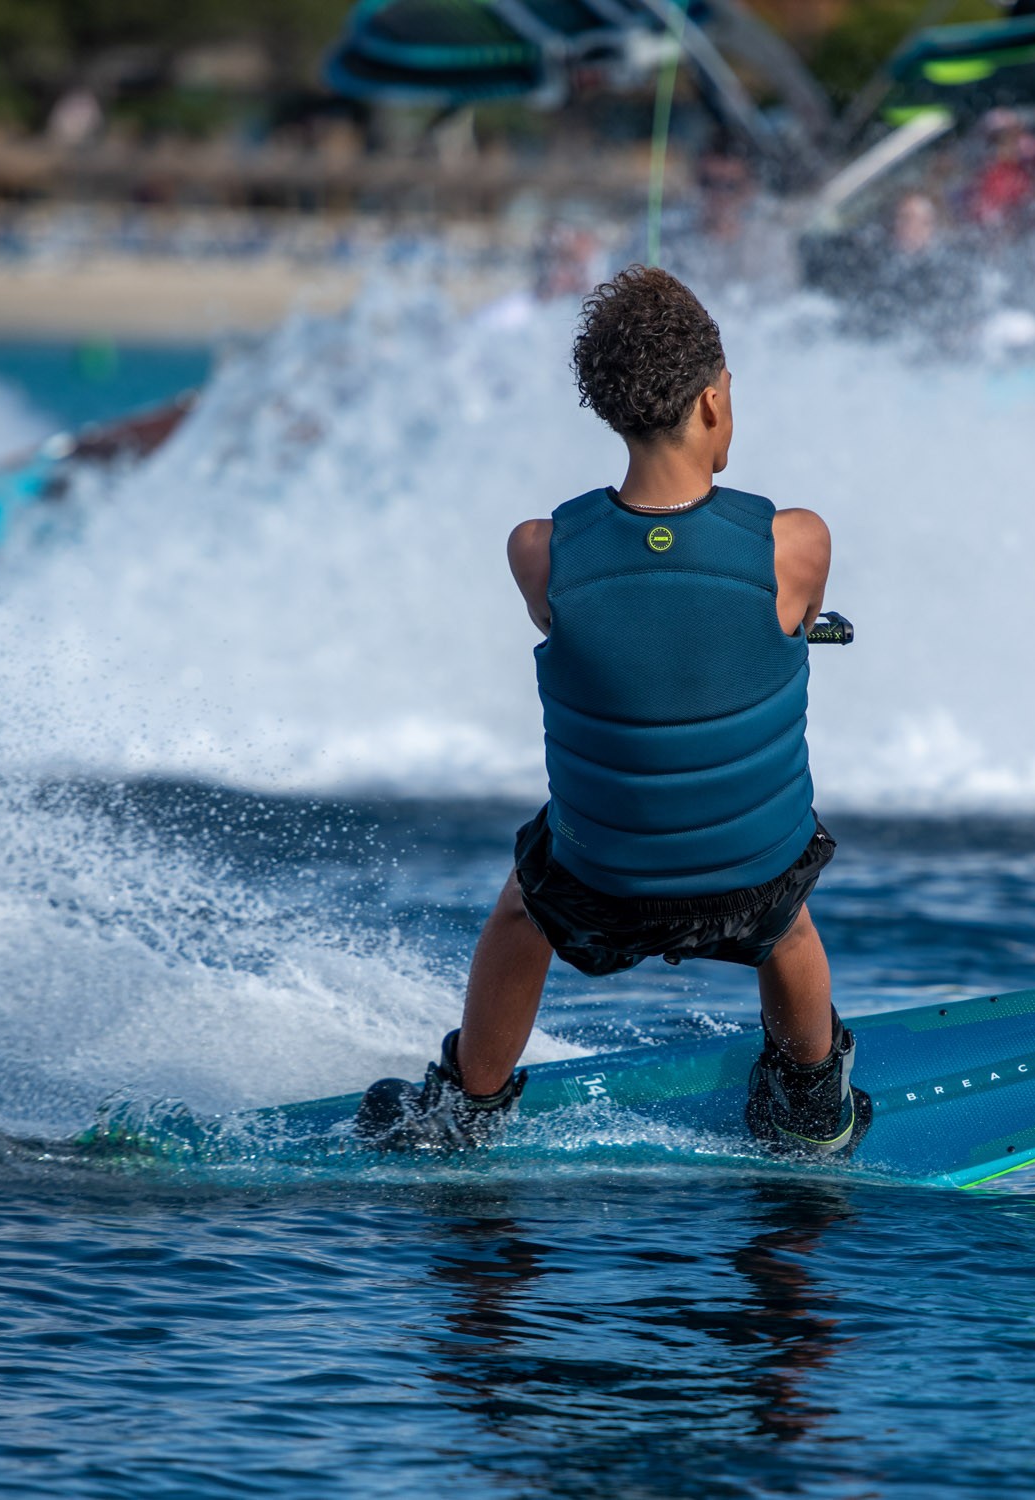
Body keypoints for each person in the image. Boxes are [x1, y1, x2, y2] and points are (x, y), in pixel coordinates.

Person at [359, 265, 869, 1157]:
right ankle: (807, 1103)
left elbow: (623, 599)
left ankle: (469, 1108)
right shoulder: (798, 543)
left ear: (607, 409)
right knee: (788, 922)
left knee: (524, 908)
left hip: (599, 884)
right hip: (754, 876)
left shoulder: (538, 551)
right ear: (713, 403)